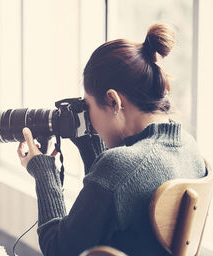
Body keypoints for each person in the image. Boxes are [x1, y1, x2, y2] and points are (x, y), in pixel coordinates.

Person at [17, 23, 207, 256]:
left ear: (113, 102)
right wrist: (92, 148)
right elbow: (115, 207)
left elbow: (59, 250)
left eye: (89, 108)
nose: (90, 120)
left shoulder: (119, 166)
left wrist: (44, 171)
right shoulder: (190, 148)